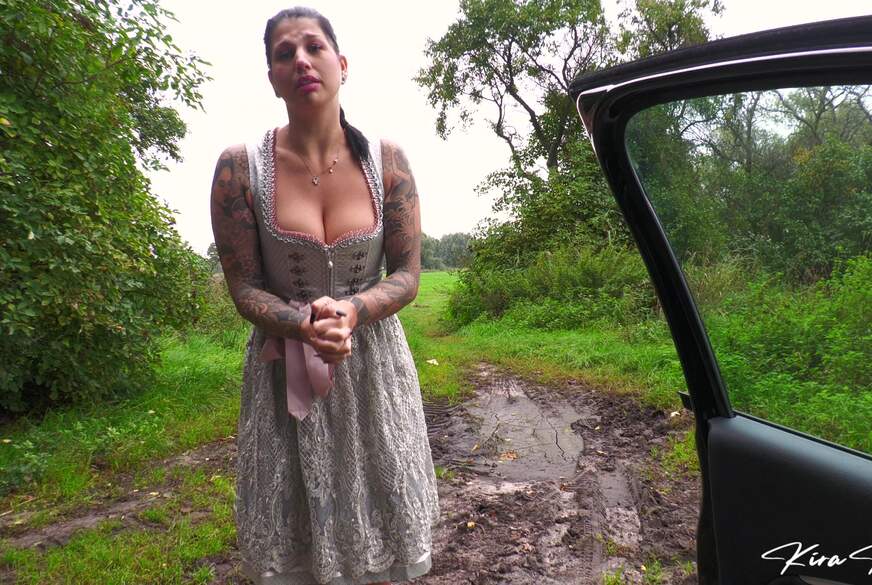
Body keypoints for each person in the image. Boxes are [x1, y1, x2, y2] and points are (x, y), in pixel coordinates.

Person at [209, 7, 440, 584]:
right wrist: (302, 325)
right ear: (271, 78)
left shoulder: (387, 162)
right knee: (296, 541)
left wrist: (353, 310)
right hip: (282, 378)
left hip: (375, 369)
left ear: (342, 63)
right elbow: (243, 286)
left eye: (314, 47)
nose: (301, 61)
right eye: (284, 53)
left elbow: (407, 274)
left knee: (382, 531)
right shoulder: (239, 168)